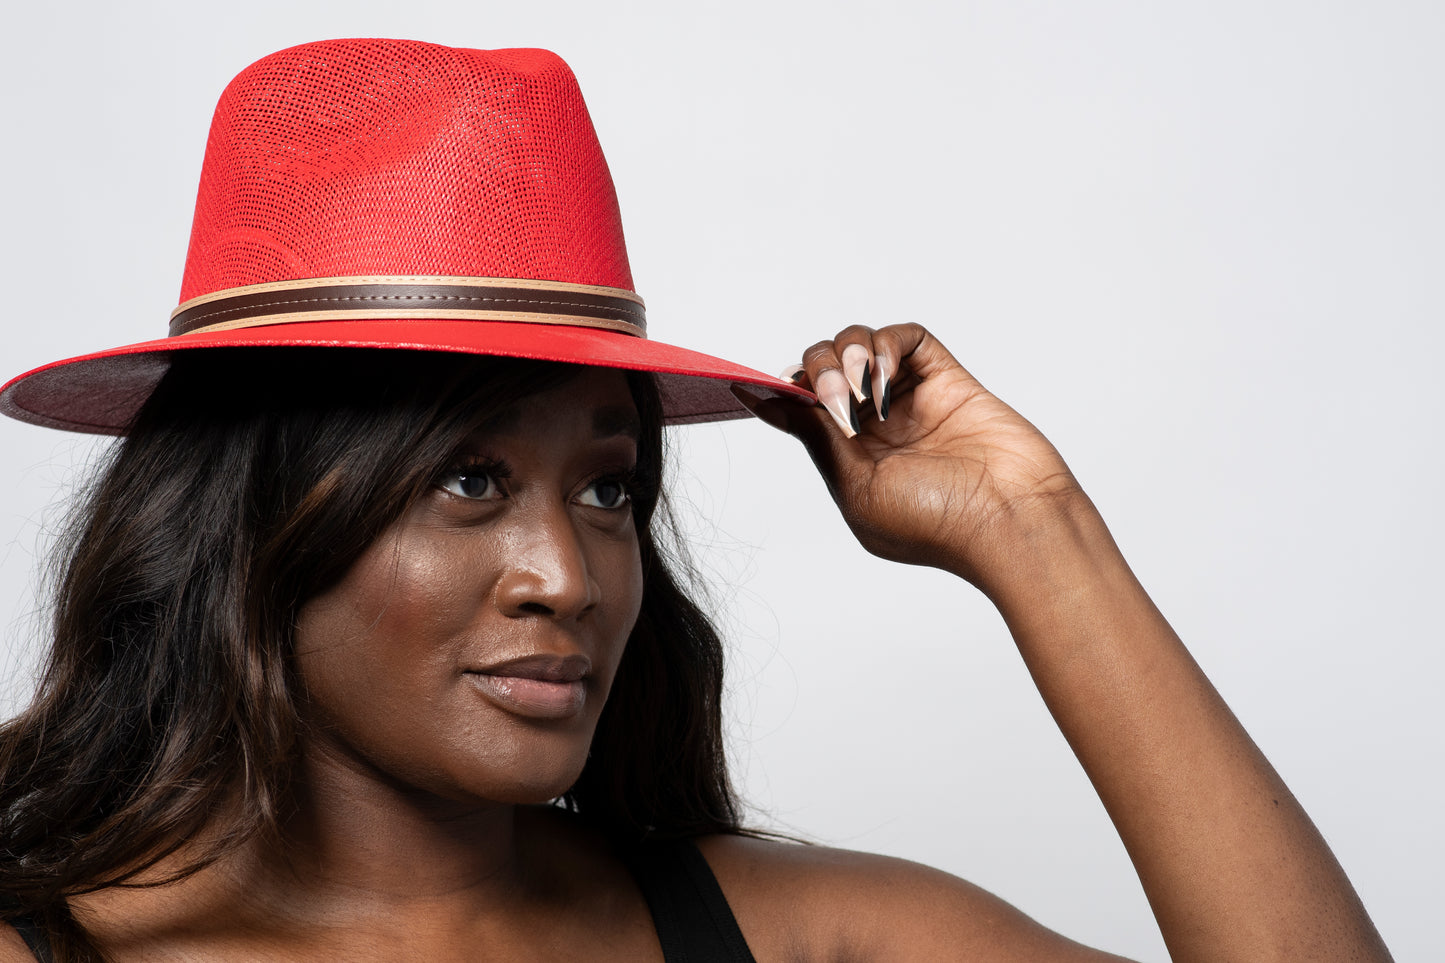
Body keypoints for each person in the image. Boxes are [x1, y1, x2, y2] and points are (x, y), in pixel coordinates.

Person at [0, 38, 1392, 963]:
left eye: (607, 486)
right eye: (468, 478)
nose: (568, 573)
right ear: (249, 521)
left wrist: (1038, 537)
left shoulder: (796, 933)